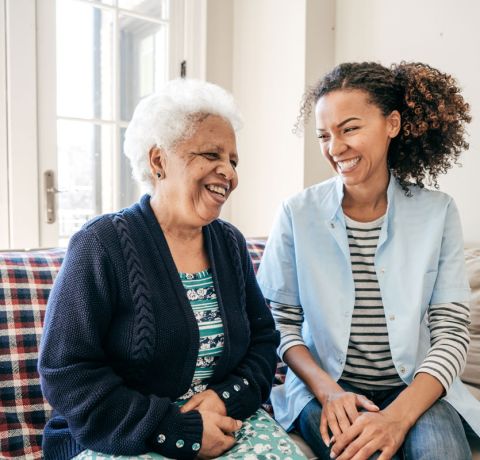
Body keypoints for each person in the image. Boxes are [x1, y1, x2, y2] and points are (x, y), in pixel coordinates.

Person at [38, 79, 307, 460]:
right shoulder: (101, 244)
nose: (228, 173)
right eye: (211, 154)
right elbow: (66, 370)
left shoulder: (229, 244)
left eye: (232, 160)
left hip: (223, 422)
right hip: (123, 433)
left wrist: (221, 398)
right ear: (159, 160)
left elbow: (263, 341)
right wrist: (176, 431)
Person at [257, 62, 480, 459]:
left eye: (350, 128)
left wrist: (397, 418)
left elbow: (451, 333)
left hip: (415, 387)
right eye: (324, 135)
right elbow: (279, 322)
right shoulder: (297, 213)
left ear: (392, 124)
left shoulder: (438, 212)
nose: (335, 147)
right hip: (327, 388)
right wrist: (329, 392)